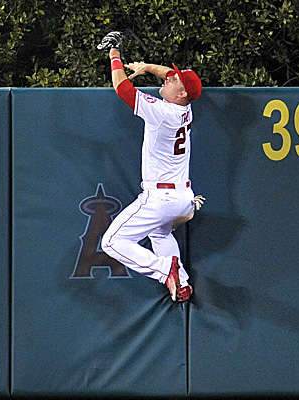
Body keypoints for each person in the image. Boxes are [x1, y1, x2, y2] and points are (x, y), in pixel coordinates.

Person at [97, 31, 204, 302]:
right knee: (160, 231)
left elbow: (123, 89)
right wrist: (147, 68)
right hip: (183, 197)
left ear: (180, 93)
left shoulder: (163, 112)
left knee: (111, 243)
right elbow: (169, 73)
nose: (168, 77)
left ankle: (163, 269)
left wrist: (115, 55)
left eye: (174, 80)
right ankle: (181, 283)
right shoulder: (185, 108)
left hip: (161, 197)